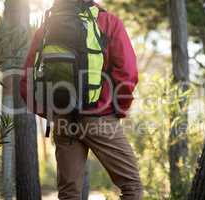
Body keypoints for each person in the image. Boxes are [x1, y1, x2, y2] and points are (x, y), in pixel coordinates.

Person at [20, 0, 143, 199]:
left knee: (69, 193)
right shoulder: (108, 22)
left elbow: (27, 80)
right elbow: (127, 73)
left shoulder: (48, 27)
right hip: (100, 116)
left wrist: (53, 112)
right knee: (132, 186)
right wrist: (118, 110)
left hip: (63, 117)